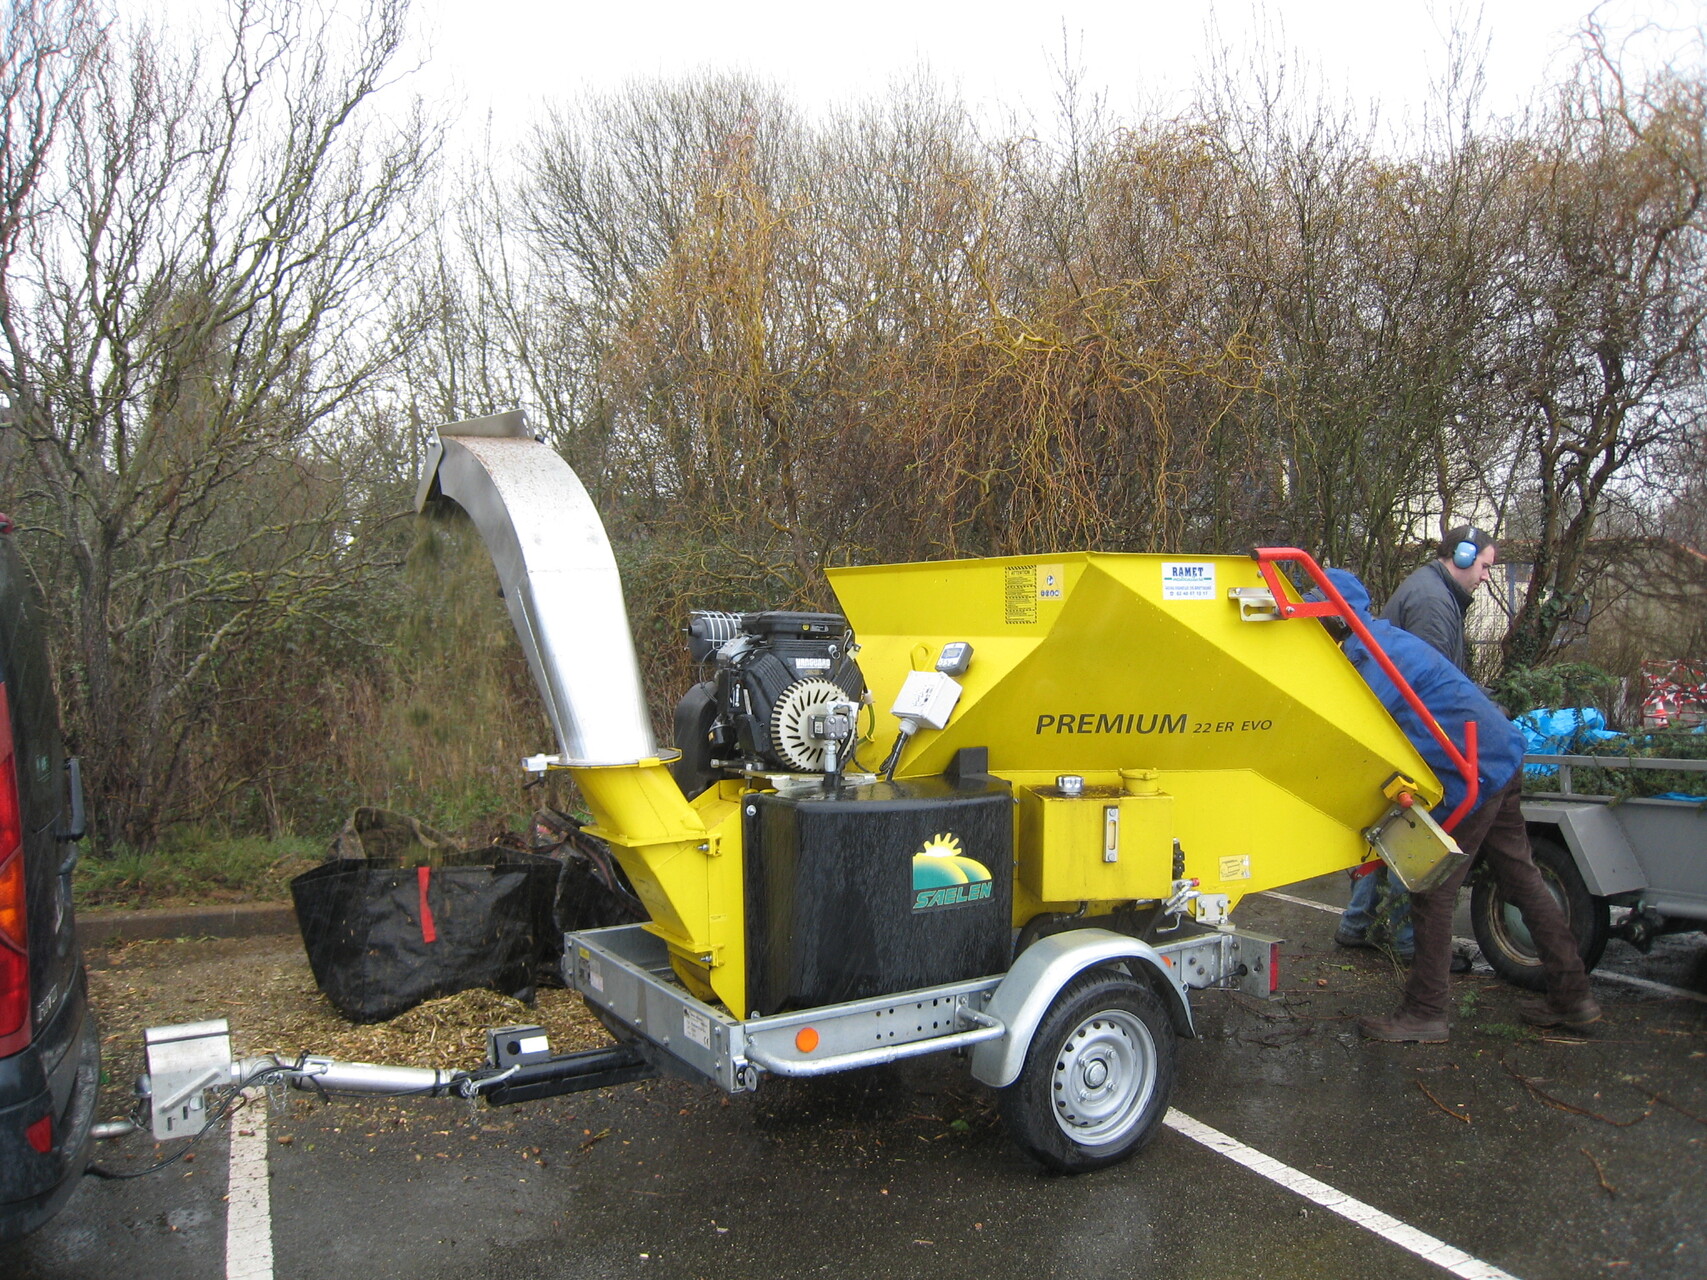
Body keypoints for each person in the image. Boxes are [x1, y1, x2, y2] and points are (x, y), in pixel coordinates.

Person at [1321, 568, 1601, 1043]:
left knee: (1432, 888)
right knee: (1521, 877)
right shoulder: (1381, 639)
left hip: (1475, 768)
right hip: (1498, 754)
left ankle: (1425, 1012)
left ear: (1336, 617)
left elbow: (1360, 733)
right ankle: (1574, 997)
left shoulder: (1371, 658)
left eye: (1318, 616)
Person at [1335, 524, 1498, 960]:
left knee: (1387, 823)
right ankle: (1407, 940)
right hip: (1414, 733)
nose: (1485, 577)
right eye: (1484, 566)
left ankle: (1359, 921)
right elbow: (1430, 687)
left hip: (1400, 728)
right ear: (1462, 556)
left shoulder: (1433, 592)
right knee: (1414, 825)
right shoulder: (1431, 602)